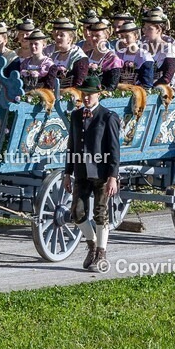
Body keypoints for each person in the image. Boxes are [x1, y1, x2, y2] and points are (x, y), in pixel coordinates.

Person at [63, 75, 121, 272]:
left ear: (98, 94)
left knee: (100, 213)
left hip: (102, 173)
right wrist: (67, 172)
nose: (86, 98)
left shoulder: (108, 117)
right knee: (77, 212)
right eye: (84, 94)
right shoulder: (76, 116)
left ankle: (101, 254)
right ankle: (92, 244)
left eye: (90, 94)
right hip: (81, 172)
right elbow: (71, 145)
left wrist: (113, 177)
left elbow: (114, 150)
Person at [140, 7, 175, 87]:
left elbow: (167, 78)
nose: (145, 31)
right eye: (144, 28)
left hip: (165, 88)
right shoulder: (142, 47)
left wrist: (150, 87)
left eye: (149, 29)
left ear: (158, 30)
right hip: (145, 87)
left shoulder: (168, 49)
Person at [113, 18, 156, 87]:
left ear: (136, 36)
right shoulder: (118, 55)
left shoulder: (144, 56)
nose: (124, 40)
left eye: (127, 37)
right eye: (122, 37)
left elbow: (147, 84)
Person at [46, 18, 89, 87]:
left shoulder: (79, 57)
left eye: (61, 35)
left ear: (70, 39)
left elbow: (79, 83)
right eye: (57, 35)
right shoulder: (54, 56)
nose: (58, 37)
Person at [83, 17, 122, 90]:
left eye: (97, 36)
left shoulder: (113, 60)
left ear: (106, 36)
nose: (93, 38)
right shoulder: (85, 55)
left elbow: (112, 87)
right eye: (92, 35)